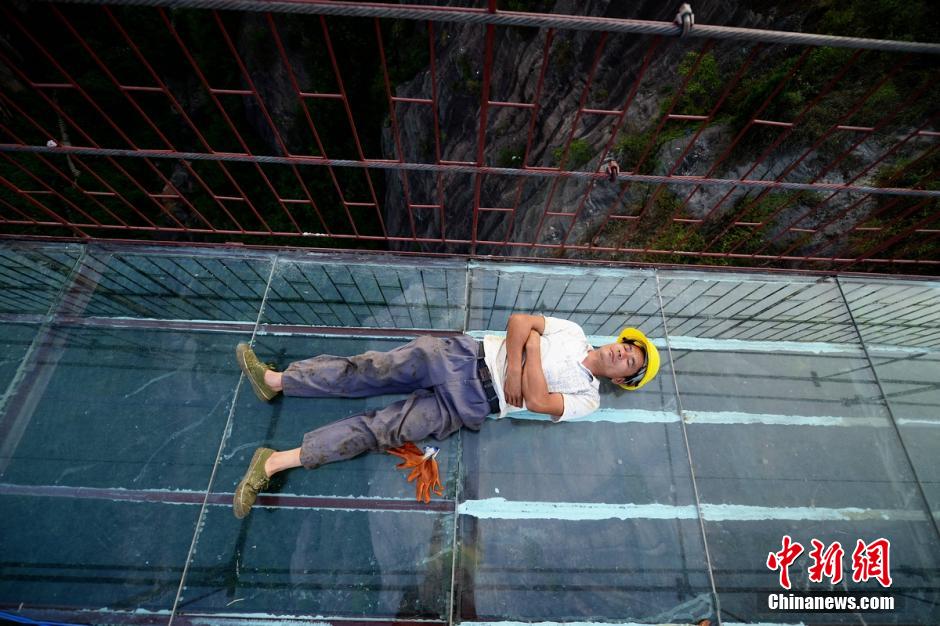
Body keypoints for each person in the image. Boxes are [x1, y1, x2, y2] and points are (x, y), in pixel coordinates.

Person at [232, 313, 660, 518]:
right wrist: (521, 355)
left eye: (629, 362)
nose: (623, 352)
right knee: (370, 368)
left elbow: (538, 402)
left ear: (623, 380)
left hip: (470, 405)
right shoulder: (574, 333)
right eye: (627, 345)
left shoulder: (588, 399)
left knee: (381, 429)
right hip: (460, 354)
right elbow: (517, 322)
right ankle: (275, 381)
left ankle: (272, 462)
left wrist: (530, 347)